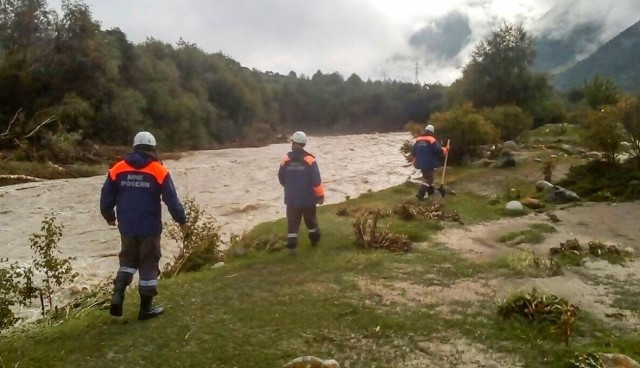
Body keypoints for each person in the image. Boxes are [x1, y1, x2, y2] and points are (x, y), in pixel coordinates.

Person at [100, 131, 187, 321]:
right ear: (152, 148)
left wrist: (109, 216)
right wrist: (182, 220)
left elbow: (106, 196)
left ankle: (118, 294)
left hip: (127, 226)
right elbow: (172, 200)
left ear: (134, 147)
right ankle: (146, 308)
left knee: (128, 261)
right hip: (149, 227)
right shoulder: (159, 170)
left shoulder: (117, 168)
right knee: (148, 263)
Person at [278, 131, 325, 256]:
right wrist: (320, 196)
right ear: (304, 144)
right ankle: (315, 240)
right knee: (311, 221)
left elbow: (281, 178)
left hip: (292, 199)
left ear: (293, 143)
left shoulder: (285, 160)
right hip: (308, 199)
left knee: (292, 223)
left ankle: (292, 247)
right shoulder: (310, 160)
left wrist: (290, 188)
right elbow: (316, 181)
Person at [411, 124, 449, 201]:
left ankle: (431, 191)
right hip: (428, 162)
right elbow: (437, 150)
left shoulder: (418, 139)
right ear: (432, 132)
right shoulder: (431, 139)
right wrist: (445, 149)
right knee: (429, 178)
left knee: (426, 177)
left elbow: (413, 152)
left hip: (420, 162)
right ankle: (420, 193)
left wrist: (414, 161)